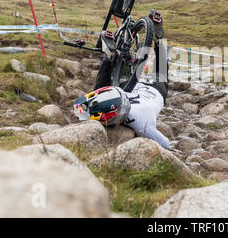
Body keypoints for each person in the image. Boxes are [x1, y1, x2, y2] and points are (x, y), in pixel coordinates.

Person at [73, 10, 172, 149]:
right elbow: (167, 145)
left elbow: (167, 144)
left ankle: (112, 55)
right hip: (140, 89)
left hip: (148, 89)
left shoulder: (142, 123)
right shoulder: (142, 123)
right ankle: (110, 57)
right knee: (99, 90)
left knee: (161, 73)